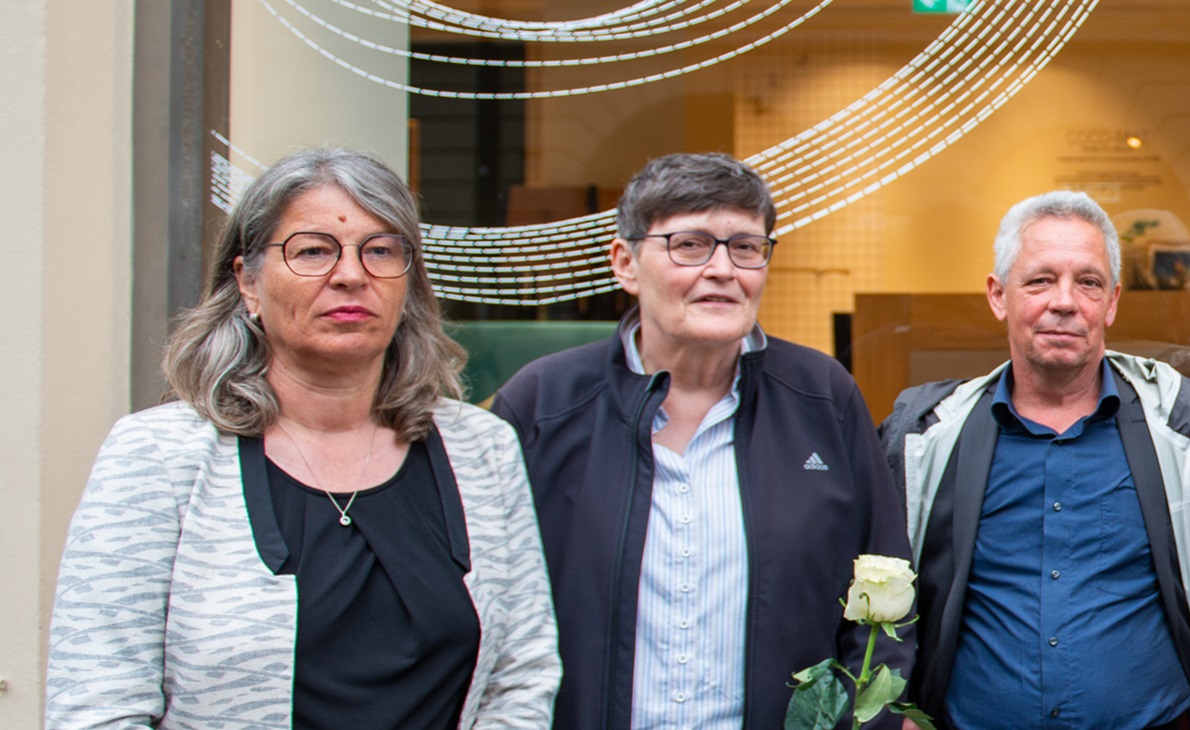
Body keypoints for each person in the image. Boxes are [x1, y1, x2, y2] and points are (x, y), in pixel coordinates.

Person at [48, 148, 558, 728]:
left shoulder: (482, 449)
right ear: (247, 282)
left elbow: (523, 674)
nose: (350, 275)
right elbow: (98, 704)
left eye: (382, 251)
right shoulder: (156, 459)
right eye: (313, 250)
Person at [492, 152, 910, 729]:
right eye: (689, 245)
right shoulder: (543, 404)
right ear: (625, 263)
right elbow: (490, 612)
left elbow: (885, 594)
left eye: (745, 247)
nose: (722, 269)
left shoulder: (822, 397)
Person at [878, 190, 1190, 729]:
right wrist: (888, 716)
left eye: (1088, 281)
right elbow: (848, 585)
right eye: (1040, 280)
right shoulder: (925, 438)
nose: (1064, 301)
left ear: (1112, 301)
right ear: (997, 295)